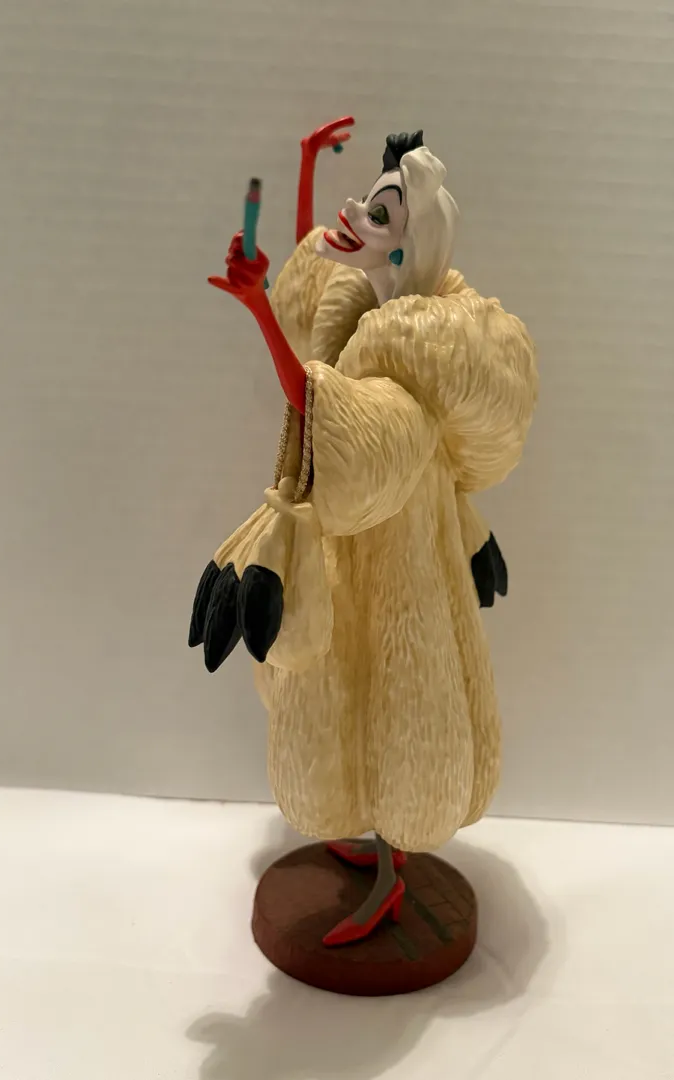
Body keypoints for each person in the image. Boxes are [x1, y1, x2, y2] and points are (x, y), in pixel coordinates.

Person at [190, 118, 538, 946]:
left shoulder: (406, 370)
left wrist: (255, 309)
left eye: (378, 215)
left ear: (405, 247)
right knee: (354, 687)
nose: (353, 217)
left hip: (400, 556)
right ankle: (372, 836)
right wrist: (306, 165)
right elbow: (317, 273)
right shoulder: (365, 313)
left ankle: (391, 870)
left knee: (392, 696)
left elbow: (318, 403)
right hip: (371, 534)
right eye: (365, 202)